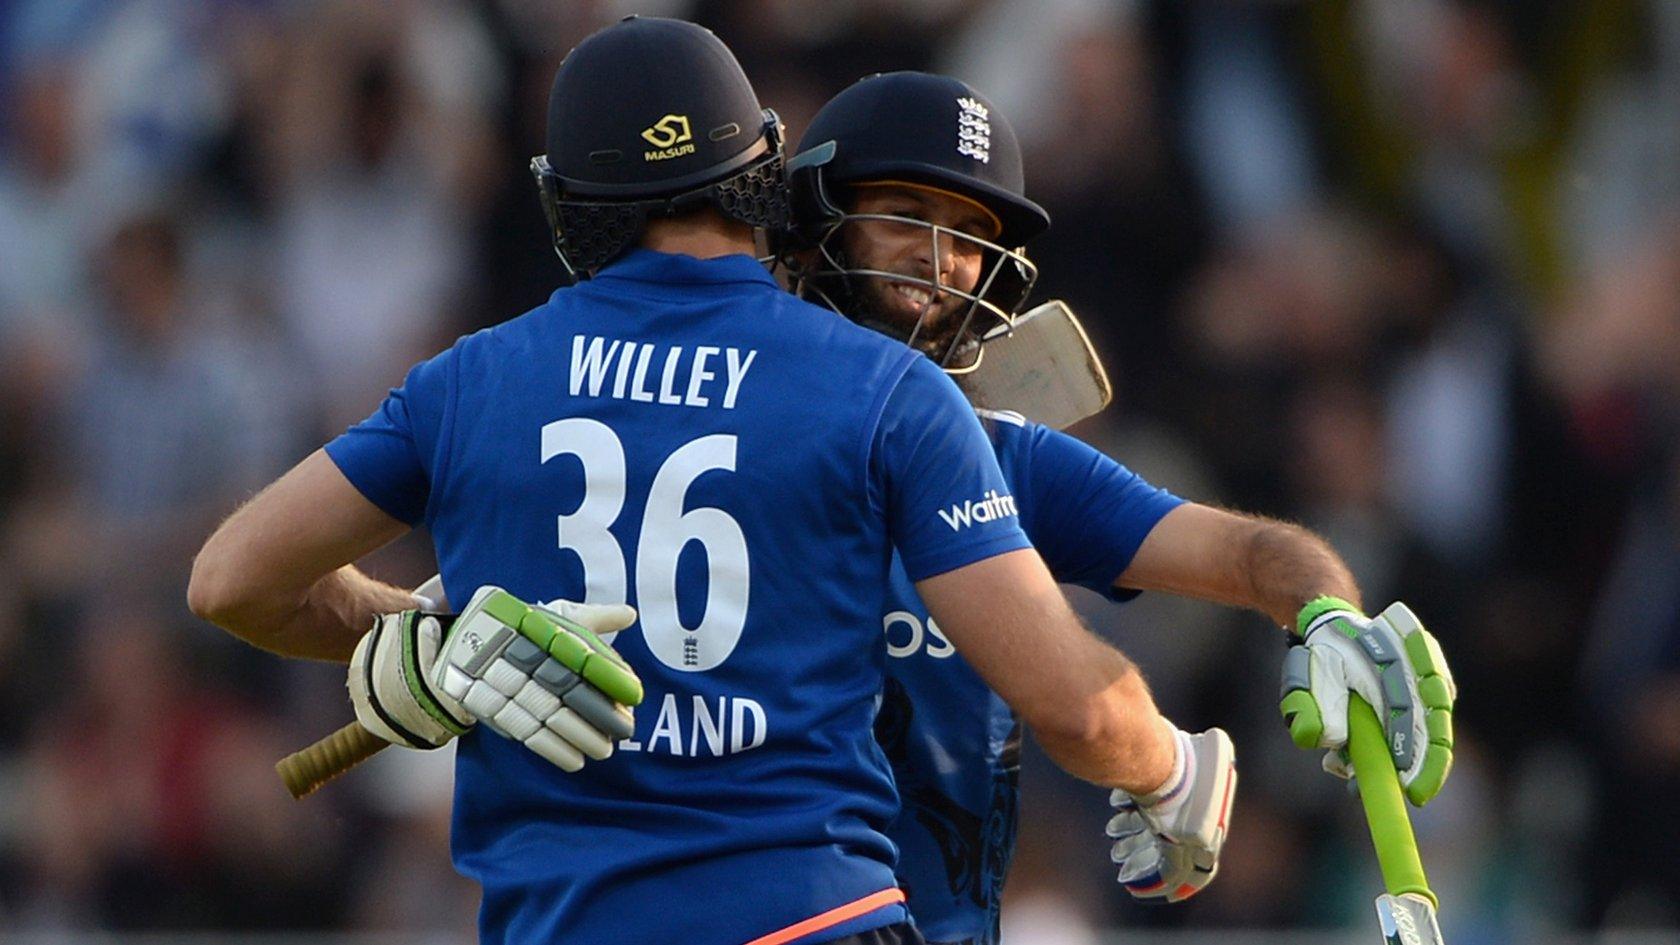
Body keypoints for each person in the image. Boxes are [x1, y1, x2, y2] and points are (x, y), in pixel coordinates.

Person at [188, 19, 1229, 945]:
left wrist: (431, 631)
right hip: (811, 913)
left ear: (572, 201)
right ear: (768, 166)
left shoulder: (470, 382)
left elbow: (231, 580)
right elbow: (1074, 708)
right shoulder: (887, 390)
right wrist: (1174, 771)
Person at [780, 71, 1459, 945]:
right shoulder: (723, 432)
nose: (938, 259)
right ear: (815, 225)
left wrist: (1326, 612)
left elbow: (1253, 554)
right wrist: (1169, 768)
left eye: (970, 235)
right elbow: (1081, 712)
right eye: (906, 212)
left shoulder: (1003, 458)